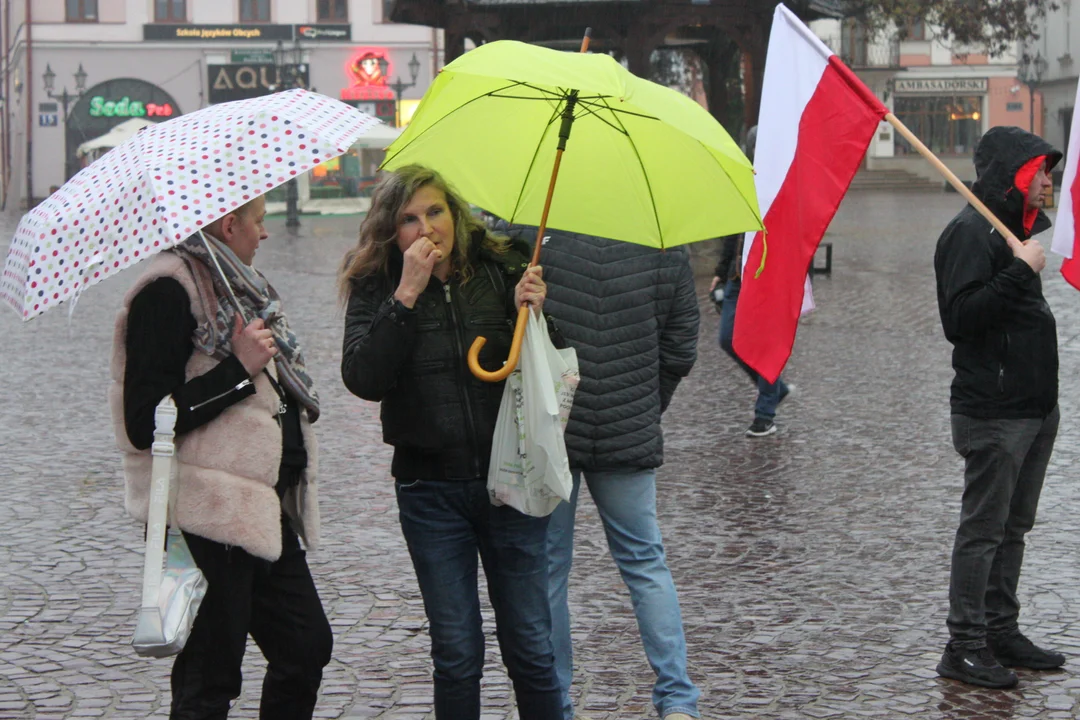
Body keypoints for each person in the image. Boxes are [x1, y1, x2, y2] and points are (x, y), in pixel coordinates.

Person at [339, 165, 561, 719]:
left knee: (532, 646)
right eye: (409, 220)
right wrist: (406, 296)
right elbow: (363, 378)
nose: (426, 228)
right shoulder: (379, 284)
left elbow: (552, 366)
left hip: (509, 479)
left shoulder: (503, 266)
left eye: (435, 212)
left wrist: (535, 313)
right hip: (429, 489)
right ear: (393, 233)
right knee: (458, 650)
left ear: (455, 214)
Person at [109, 195, 333, 718]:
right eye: (259, 221)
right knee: (210, 676)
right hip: (202, 514)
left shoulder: (237, 288)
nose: (266, 233)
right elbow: (144, 421)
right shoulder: (166, 292)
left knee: (305, 646)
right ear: (230, 225)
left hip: (260, 510)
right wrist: (238, 368)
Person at [497, 220, 702, 720]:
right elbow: (680, 348)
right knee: (645, 562)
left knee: (548, 570)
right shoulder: (663, 239)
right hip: (626, 427)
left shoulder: (533, 230)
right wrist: (645, 407)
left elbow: (508, 330)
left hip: (551, 429)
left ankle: (556, 700)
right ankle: (677, 700)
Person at [934, 126, 1064, 689]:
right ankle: (963, 644)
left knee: (1014, 527)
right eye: (1041, 170)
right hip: (994, 411)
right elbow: (960, 319)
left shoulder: (1013, 230)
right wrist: (1020, 270)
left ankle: (999, 629)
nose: (1049, 181)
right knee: (984, 530)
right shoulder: (968, 232)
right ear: (1014, 174)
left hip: (1033, 408)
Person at [709, 126, 792, 437]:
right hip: (737, 276)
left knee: (767, 346)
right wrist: (720, 269)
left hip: (770, 279)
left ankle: (764, 412)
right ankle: (774, 388)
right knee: (727, 338)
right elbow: (734, 230)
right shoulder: (745, 182)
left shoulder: (786, 185)